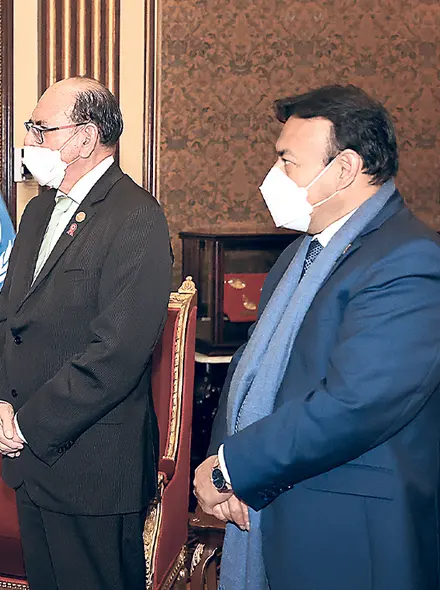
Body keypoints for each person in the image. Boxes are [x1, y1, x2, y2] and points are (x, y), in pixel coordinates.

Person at [193, 85, 440, 590]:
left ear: (345, 169)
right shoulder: (301, 251)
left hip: (348, 533)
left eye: (288, 162)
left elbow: (356, 402)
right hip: (273, 506)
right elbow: (251, 368)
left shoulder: (411, 260)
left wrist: (233, 467)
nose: (273, 178)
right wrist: (229, 464)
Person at [0, 77, 172, 589]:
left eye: (41, 130)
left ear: (84, 140)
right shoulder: (39, 210)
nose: (30, 142)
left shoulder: (136, 217)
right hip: (30, 465)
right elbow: (7, 320)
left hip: (92, 468)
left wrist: (28, 424)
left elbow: (117, 352)